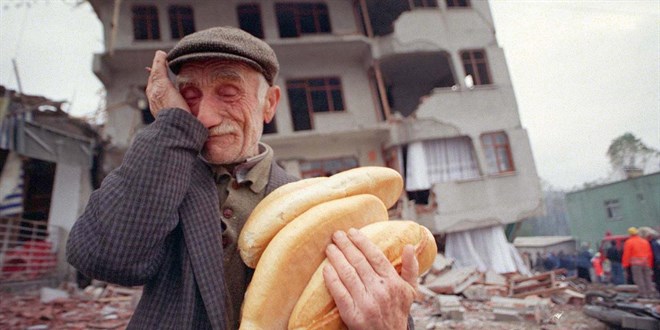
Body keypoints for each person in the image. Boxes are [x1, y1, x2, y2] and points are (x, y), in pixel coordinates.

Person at [66, 26, 418, 329]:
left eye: (228, 93)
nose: (204, 117)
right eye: (189, 97)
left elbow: (369, 303)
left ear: (269, 104)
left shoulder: (319, 203)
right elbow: (102, 256)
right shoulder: (162, 182)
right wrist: (172, 125)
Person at [622, 227, 657, 299]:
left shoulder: (629, 242)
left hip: (636, 264)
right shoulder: (644, 241)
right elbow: (650, 254)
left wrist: (625, 265)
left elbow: (627, 254)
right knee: (647, 278)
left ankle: (643, 294)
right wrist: (650, 264)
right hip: (646, 262)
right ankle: (650, 294)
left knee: (639, 279)